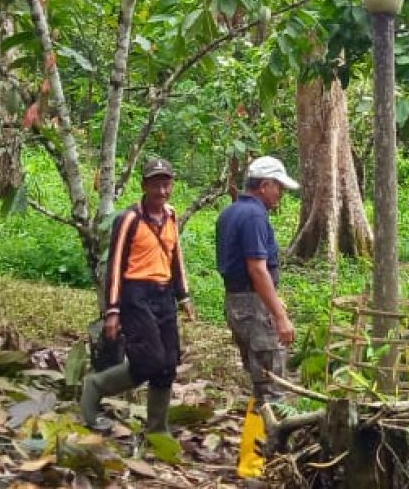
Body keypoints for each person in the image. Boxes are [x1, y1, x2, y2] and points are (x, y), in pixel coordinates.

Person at [81, 157, 195, 434]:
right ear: (144, 186)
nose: (162, 191)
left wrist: (184, 296)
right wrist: (113, 311)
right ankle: (95, 385)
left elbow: (175, 256)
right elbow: (116, 266)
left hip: (164, 295)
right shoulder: (129, 218)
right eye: (156, 185)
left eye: (166, 184)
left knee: (168, 364)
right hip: (136, 295)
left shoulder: (171, 215)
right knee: (150, 360)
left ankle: (157, 428)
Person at [215, 155, 299, 481]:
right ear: (264, 186)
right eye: (278, 187)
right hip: (253, 306)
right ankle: (260, 465)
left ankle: (253, 458)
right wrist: (279, 316)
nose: (280, 194)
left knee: (259, 382)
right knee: (273, 387)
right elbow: (257, 269)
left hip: (237, 304)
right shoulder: (253, 216)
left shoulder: (231, 211)